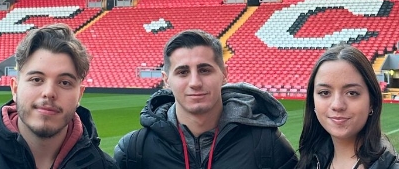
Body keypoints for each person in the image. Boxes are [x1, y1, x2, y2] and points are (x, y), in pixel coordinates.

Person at [0, 23, 117, 169]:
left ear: (80, 95)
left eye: (64, 82)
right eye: (37, 79)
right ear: (15, 88)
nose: (49, 92)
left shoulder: (105, 166)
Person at [114, 29, 298, 169]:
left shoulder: (267, 145)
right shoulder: (134, 150)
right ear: (166, 80)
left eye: (204, 70)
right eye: (183, 72)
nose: (195, 82)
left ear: (224, 74)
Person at [296, 44, 399, 169]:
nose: (337, 105)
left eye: (352, 93)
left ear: (372, 102)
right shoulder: (310, 161)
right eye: (325, 92)